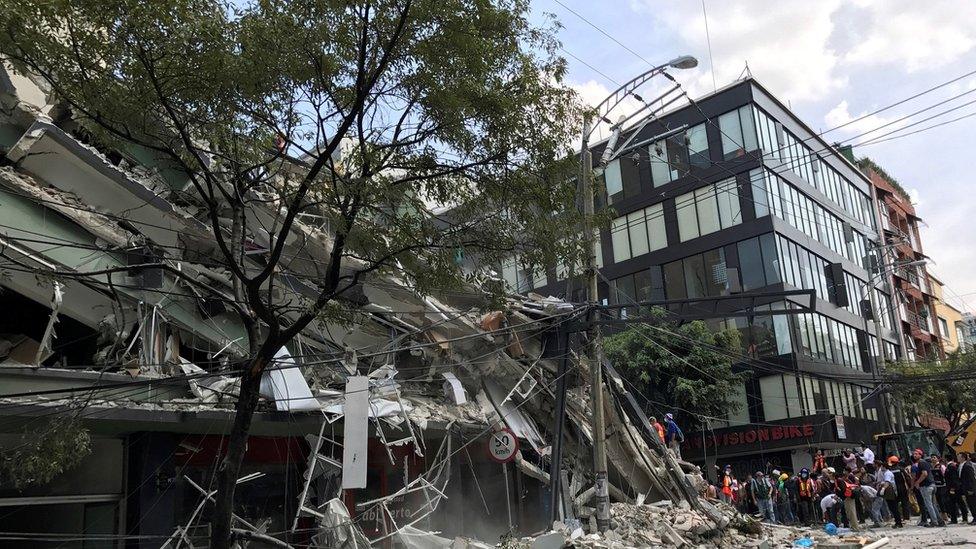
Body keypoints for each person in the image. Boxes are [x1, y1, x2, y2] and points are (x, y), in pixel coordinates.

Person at [912, 448, 945, 527]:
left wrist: (917, 482)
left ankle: (934, 522)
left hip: (926, 486)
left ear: (920, 455)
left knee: (929, 505)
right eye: (914, 454)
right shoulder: (925, 463)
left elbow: (924, 474)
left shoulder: (921, 463)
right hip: (932, 485)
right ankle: (940, 521)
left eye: (916, 454)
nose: (914, 455)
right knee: (933, 505)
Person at [878, 459, 903, 528]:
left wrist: (883, 489)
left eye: (882, 467)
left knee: (893, 507)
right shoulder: (886, 473)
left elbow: (887, 482)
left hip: (891, 492)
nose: (881, 468)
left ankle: (898, 523)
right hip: (891, 491)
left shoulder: (887, 473)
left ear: (884, 467)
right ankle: (898, 522)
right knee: (893, 507)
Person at [835, 466, 861, 531]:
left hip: (849, 497)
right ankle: (854, 526)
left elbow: (845, 490)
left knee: (851, 512)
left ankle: (855, 527)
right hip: (849, 496)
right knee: (850, 512)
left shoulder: (847, 479)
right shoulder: (845, 480)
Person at [932, 454, 950, 525]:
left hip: (942, 485)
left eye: (934, 457)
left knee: (943, 500)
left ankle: (946, 514)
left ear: (938, 459)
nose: (933, 459)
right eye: (932, 458)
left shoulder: (941, 466)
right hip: (936, 486)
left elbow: (945, 475)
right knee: (939, 500)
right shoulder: (931, 466)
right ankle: (942, 514)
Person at [960, 452, 976, 525]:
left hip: (970, 489)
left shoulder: (967, 466)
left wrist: (971, 489)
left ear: (963, 458)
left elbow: (971, 478)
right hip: (965, 488)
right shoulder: (962, 465)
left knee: (973, 504)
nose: (957, 458)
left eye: (959, 457)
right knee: (970, 504)